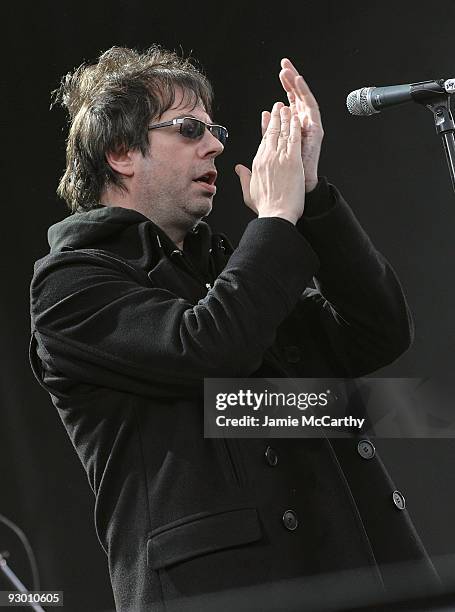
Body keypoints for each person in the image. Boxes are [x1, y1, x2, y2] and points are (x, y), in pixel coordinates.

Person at [29, 46, 440, 611]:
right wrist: (273, 221)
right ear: (122, 152)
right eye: (190, 128)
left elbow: (377, 333)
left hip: (345, 571)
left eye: (214, 128)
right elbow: (209, 349)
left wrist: (313, 197)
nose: (217, 143)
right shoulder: (72, 285)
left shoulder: (225, 268)